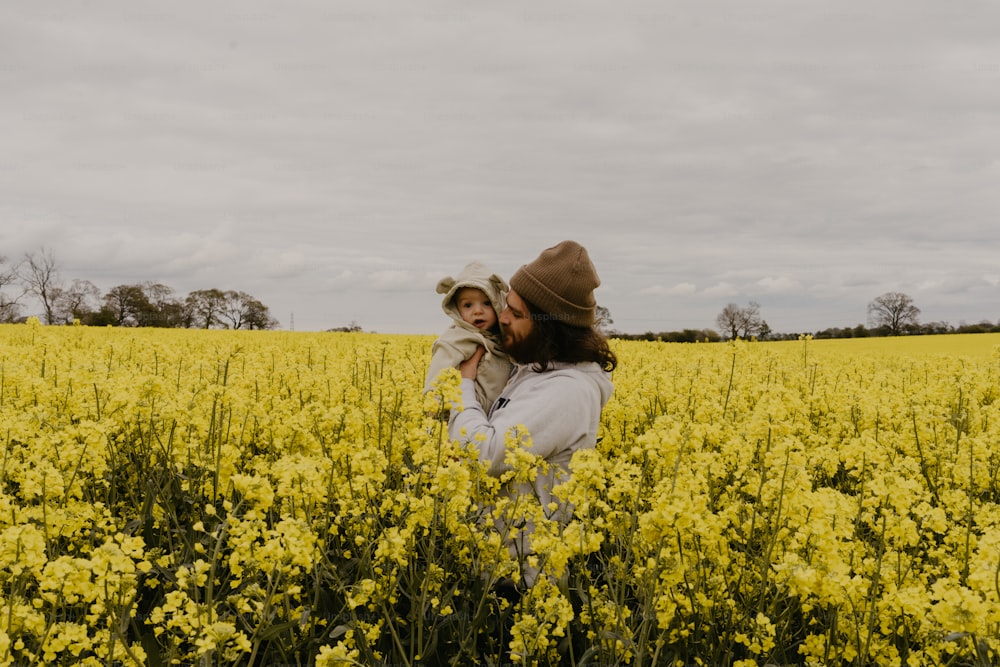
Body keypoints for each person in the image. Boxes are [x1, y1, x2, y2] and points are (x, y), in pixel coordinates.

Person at [448, 240, 617, 583]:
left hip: (522, 585)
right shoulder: (535, 369)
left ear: (549, 325)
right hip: (493, 567)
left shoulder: (566, 390)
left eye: (517, 313)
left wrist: (461, 385)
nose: (502, 318)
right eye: (505, 305)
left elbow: (485, 454)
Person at [424, 261, 513, 412]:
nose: (478, 311)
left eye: (487, 303)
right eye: (468, 305)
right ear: (456, 309)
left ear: (498, 303)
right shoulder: (454, 341)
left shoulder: (503, 339)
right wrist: (436, 412)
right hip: (464, 420)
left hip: (494, 420)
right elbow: (435, 384)